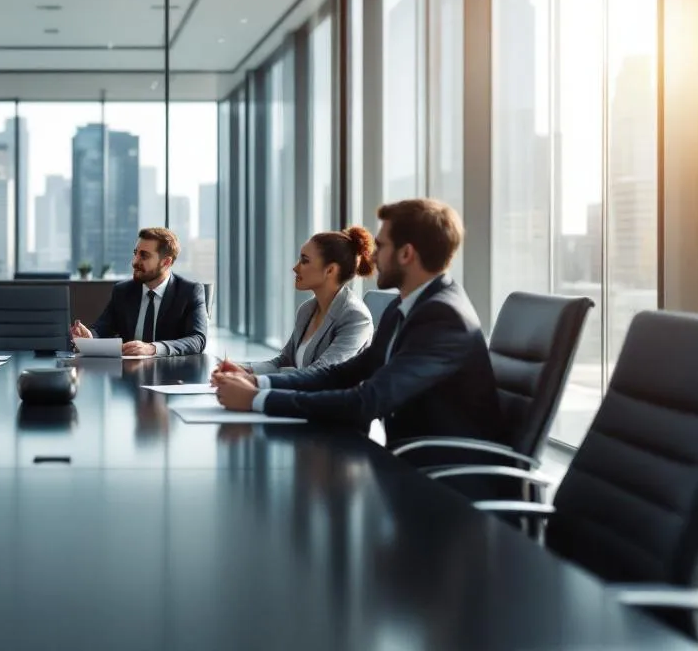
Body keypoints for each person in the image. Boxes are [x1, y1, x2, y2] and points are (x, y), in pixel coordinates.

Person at [212, 199, 504, 476]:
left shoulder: (443, 317)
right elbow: (344, 374)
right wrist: (258, 382)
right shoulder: (403, 308)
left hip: (447, 481)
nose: (373, 256)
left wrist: (259, 400)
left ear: (406, 254)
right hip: (409, 468)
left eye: (381, 246)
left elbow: (368, 400)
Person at [221, 227, 375, 375]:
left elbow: (320, 373)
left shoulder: (355, 316)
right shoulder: (307, 310)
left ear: (330, 270)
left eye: (305, 261)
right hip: (300, 396)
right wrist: (244, 370)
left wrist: (255, 380)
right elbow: (285, 361)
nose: (295, 268)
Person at [69, 227, 208, 356]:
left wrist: (153, 348)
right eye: (136, 253)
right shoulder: (122, 291)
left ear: (166, 262)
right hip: (129, 375)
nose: (135, 262)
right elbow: (102, 328)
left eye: (144, 256)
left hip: (172, 374)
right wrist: (89, 337)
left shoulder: (189, 292)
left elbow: (197, 339)